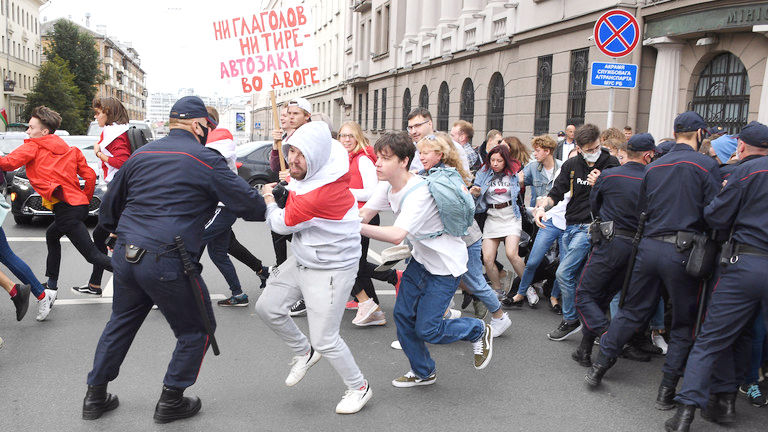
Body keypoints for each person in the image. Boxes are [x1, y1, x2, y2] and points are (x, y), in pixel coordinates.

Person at [82, 96, 266, 423]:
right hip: (168, 257)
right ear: (198, 125)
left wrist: (116, 232)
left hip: (127, 252)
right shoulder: (205, 159)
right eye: (207, 128)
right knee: (197, 328)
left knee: (120, 323)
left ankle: (94, 396)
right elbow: (251, 207)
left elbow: (109, 208)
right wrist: (267, 195)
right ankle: (171, 400)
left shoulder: (141, 154)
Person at [586, 112, 721, 413]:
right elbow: (715, 213)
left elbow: (644, 209)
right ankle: (666, 390)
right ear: (699, 133)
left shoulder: (655, 166)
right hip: (684, 251)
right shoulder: (707, 165)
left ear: (675, 133)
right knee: (684, 324)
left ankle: (600, 366)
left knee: (632, 310)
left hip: (648, 248)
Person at [254, 121, 371, 414]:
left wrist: (269, 198)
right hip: (306, 258)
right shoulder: (320, 167)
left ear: (316, 157)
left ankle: (360, 388)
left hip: (331, 270)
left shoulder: (318, 193)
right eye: (292, 150)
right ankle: (304, 352)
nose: (293, 158)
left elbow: (280, 224)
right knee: (267, 308)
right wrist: (287, 188)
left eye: (301, 155)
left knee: (326, 339)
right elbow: (296, 189)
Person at [360, 131, 493, 388]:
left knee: (428, 329)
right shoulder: (387, 185)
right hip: (421, 262)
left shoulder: (419, 192)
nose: (377, 163)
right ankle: (423, 372)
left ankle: (477, 330)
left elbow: (397, 235)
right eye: (377, 157)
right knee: (402, 315)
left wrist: (353, 227)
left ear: (404, 161)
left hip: (445, 267)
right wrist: (337, 219)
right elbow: (365, 213)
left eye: (385, 158)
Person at [664, 121, 768, 431]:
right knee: (745, 334)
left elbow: (717, 216)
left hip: (746, 263)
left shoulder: (745, 172)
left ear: (741, 146)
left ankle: (684, 415)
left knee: (710, 340)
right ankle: (725, 404)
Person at [0, 106, 113, 320]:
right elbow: (89, 175)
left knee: (93, 256)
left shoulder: (33, 147)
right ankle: (51, 286)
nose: (27, 132)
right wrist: (84, 200)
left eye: (31, 128)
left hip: (67, 210)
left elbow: (6, 163)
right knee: (52, 235)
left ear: (44, 132)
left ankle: (144, 282)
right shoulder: (71, 150)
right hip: (77, 207)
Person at [572, 134, 656, 367]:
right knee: (602, 298)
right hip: (637, 247)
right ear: (648, 155)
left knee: (584, 295)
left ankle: (610, 336)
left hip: (611, 242)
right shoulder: (653, 179)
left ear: (626, 153)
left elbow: (595, 206)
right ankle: (584, 350)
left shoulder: (610, 175)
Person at [418, 133, 511, 336]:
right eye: (420, 153)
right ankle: (441, 314)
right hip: (449, 240)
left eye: (425, 153)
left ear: (440, 154)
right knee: (435, 278)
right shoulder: (427, 174)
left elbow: (456, 210)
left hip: (465, 239)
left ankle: (500, 317)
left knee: (474, 282)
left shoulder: (447, 176)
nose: (422, 157)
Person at [535, 124, 619, 341]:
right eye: (589, 149)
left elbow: (618, 195)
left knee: (564, 273)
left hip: (593, 227)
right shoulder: (572, 164)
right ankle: (592, 325)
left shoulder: (610, 162)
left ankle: (574, 319)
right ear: (579, 148)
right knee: (581, 278)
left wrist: (602, 183)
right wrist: (541, 209)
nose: (594, 151)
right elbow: (556, 193)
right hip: (570, 226)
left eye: (597, 147)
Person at [200, 107, 267, 307]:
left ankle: (179, 292)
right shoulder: (207, 141)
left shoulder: (218, 141)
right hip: (218, 206)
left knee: (191, 241)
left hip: (222, 206)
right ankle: (242, 291)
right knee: (219, 252)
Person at [338, 121, 399, 325]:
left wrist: (342, 192)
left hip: (365, 216)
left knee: (348, 264)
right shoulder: (346, 158)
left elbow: (372, 191)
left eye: (350, 136)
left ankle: (372, 303)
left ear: (358, 137)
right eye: (342, 135)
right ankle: (376, 308)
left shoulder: (362, 159)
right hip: (351, 216)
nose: (346, 139)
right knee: (358, 265)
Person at [73, 97, 131, 296]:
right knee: (104, 235)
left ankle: (139, 283)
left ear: (108, 112)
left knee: (112, 237)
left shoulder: (114, 133)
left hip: (117, 190)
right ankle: (95, 283)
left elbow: (123, 162)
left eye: (98, 112)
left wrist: (99, 154)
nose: (95, 116)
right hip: (119, 189)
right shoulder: (119, 131)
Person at [510, 135, 564, 306]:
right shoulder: (533, 167)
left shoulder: (563, 167)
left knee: (559, 258)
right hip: (539, 218)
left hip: (558, 217)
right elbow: (517, 181)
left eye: (537, 150)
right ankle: (522, 291)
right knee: (534, 257)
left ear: (547, 151)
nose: (534, 154)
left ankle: (552, 292)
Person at [471, 145, 526, 300]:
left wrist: (521, 180)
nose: (495, 163)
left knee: (511, 254)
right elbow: (476, 193)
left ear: (505, 161)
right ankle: (498, 290)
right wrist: (475, 193)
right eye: (492, 160)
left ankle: (527, 287)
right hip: (492, 216)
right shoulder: (483, 172)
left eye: (499, 161)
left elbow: (523, 181)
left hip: (510, 215)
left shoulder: (513, 171)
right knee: (487, 258)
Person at [406, 108, 468, 173]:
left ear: (430, 124)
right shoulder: (410, 149)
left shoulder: (453, 146)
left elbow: (465, 177)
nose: (413, 131)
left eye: (417, 126)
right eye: (410, 128)